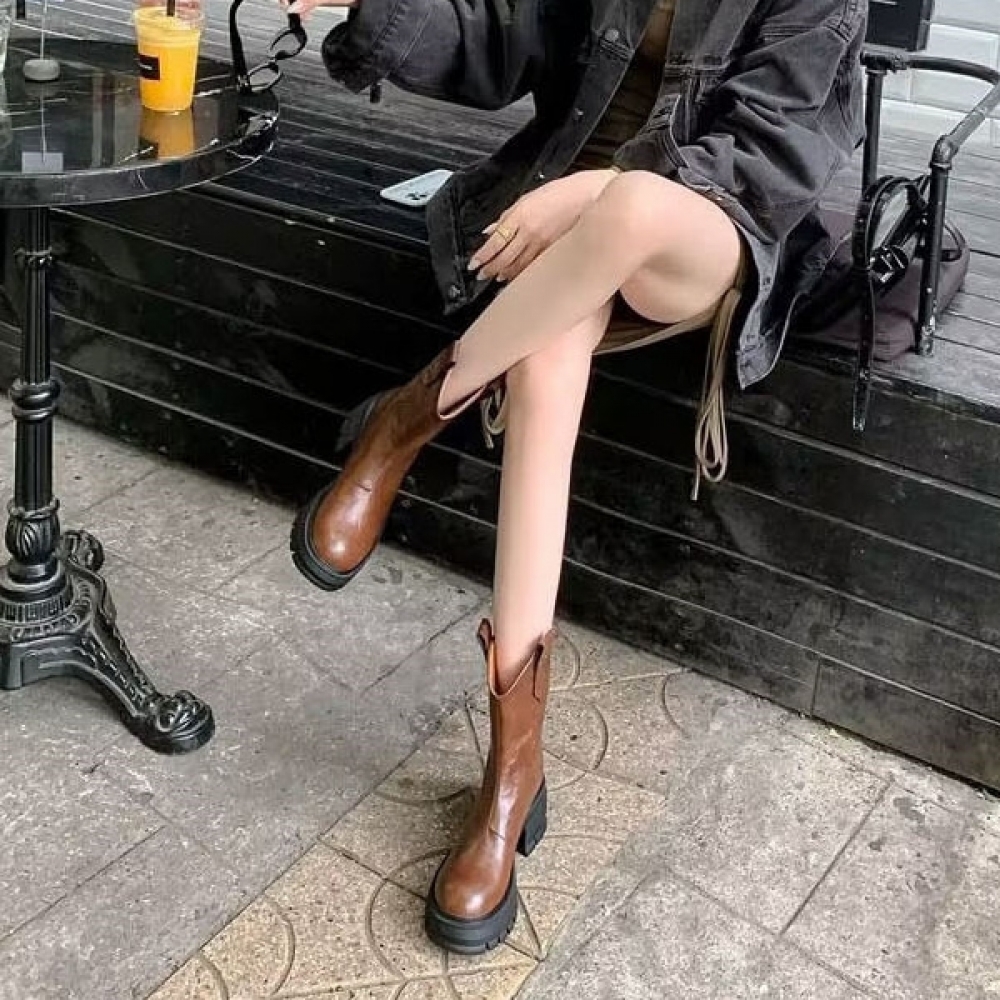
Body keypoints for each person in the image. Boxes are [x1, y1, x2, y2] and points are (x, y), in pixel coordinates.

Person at [285, 0, 867, 955]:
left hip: (703, 227)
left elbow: (771, 154)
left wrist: (596, 192)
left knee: (630, 211)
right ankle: (512, 778)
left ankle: (406, 421)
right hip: (568, 238)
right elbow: (501, 40)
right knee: (546, 357)